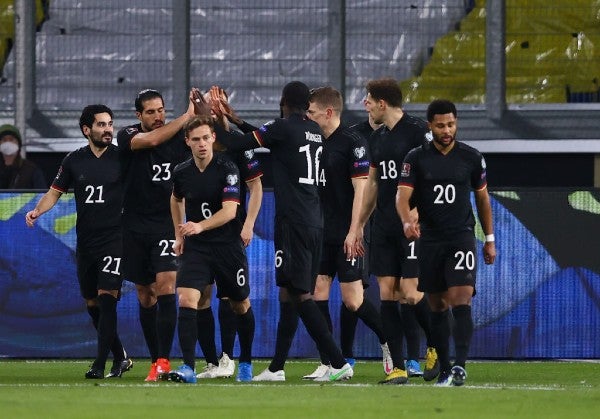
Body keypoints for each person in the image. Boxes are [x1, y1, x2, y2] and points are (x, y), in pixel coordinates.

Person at [193, 81, 353, 382]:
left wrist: (212, 116)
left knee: (299, 294)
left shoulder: (281, 128)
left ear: (283, 102)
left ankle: (338, 361)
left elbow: (238, 143)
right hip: (315, 220)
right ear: (307, 105)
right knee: (289, 293)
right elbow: (270, 138)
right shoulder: (314, 131)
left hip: (293, 220)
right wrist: (237, 119)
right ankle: (277, 367)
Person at [25, 105, 132, 379]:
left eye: (110, 124)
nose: (108, 129)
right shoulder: (73, 160)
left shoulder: (123, 157)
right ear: (87, 130)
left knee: (108, 299)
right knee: (92, 302)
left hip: (115, 238)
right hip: (86, 241)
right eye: (101, 125)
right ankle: (121, 357)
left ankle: (100, 364)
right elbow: (54, 192)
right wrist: (38, 210)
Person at [396, 99, 496, 386]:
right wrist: (406, 220)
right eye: (440, 125)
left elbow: (482, 198)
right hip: (430, 240)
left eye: (451, 124)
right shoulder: (415, 158)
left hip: (461, 236)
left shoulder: (472, 158)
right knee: (437, 304)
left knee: (461, 296)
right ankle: (445, 367)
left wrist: (489, 239)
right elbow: (402, 197)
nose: (447, 130)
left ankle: (460, 367)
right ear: (430, 126)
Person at [347, 78, 437, 385]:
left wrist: (419, 213)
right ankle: (398, 367)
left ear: (382, 103)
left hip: (410, 227)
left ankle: (435, 344)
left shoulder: (417, 132)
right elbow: (372, 184)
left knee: (411, 294)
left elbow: (434, 175)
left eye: (369, 100)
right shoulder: (377, 137)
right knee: (387, 294)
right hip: (384, 226)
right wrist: (359, 225)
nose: (365, 104)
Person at [302, 86, 391, 380]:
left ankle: (388, 340)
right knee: (317, 293)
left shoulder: (354, 144)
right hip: (322, 233)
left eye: (312, 111)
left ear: (328, 113)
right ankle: (331, 362)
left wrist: (355, 231)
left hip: (347, 232)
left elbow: (362, 193)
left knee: (353, 301)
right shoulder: (313, 142)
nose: (307, 116)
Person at [168, 115, 256, 383]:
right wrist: (179, 234)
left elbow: (230, 211)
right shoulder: (182, 171)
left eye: (206, 138)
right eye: (196, 139)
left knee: (240, 303)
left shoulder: (227, 168)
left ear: (213, 138)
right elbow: (175, 199)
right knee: (188, 298)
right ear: (188, 142)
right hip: (197, 248)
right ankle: (188, 367)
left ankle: (246, 363)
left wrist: (199, 226)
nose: (202, 144)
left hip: (227, 246)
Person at [117, 89, 195, 382]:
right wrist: (185, 117)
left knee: (166, 284)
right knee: (145, 294)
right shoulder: (127, 136)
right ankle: (155, 358)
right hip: (134, 227)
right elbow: (151, 140)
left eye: (161, 110)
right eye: (150, 112)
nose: (158, 116)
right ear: (138, 115)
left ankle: (163, 361)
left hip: (166, 224)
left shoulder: (178, 140)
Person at [192, 87, 263, 380]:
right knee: (200, 297)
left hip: (230, 234)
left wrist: (248, 225)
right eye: (207, 104)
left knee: (235, 300)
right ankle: (212, 361)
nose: (210, 108)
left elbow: (256, 188)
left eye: (214, 104)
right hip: (200, 235)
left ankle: (238, 359)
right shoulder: (194, 144)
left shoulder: (238, 146)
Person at [0, 124, 46, 189]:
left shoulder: (31, 170)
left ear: (18, 144)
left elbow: (42, 195)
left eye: (11, 139)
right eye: (4, 140)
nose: (8, 143)